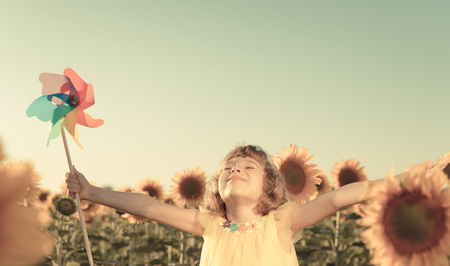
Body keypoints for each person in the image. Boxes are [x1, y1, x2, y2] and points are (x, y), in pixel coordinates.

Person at [65, 145, 437, 266]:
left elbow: (341, 197)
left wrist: (405, 178)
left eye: (248, 167)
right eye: (228, 167)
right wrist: (92, 191)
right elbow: (147, 207)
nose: (235, 169)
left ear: (269, 187)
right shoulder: (207, 223)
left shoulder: (283, 220)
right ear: (219, 185)